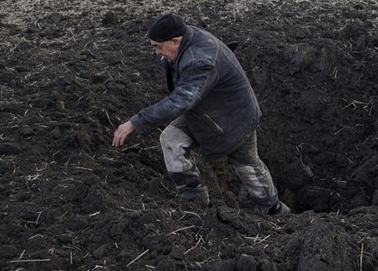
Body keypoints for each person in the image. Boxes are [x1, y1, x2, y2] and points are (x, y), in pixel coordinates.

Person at [113, 13, 290, 215]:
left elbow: (181, 101)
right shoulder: (186, 39)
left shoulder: (198, 60)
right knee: (171, 139)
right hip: (205, 112)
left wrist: (135, 122)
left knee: (247, 165)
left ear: (175, 41)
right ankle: (194, 200)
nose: (156, 52)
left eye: (158, 47)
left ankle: (275, 211)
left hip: (234, 118)